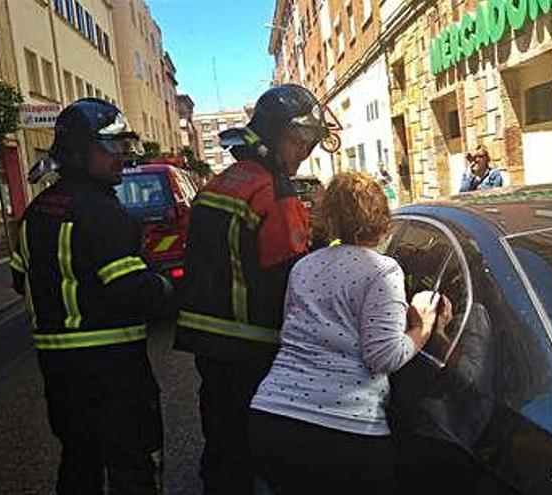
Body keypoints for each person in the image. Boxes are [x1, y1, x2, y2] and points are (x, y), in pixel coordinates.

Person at [173, 84, 332, 494]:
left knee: (222, 442)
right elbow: (295, 280)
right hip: (254, 349)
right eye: (299, 141)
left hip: (209, 346)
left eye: (309, 144)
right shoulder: (274, 193)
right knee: (256, 450)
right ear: (273, 134)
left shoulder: (217, 185)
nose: (303, 153)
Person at [248, 172, 450, 495]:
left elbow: (294, 333)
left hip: (273, 419)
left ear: (329, 218)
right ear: (382, 218)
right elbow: (383, 355)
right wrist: (422, 326)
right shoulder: (382, 270)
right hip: (346, 433)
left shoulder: (304, 266)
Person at [9, 98, 173, 494]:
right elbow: (131, 292)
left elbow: (19, 279)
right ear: (80, 153)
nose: (122, 157)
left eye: (123, 147)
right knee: (134, 464)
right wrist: (168, 288)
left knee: (79, 461)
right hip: (113, 368)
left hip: (58, 369)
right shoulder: (103, 212)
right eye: (111, 148)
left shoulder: (36, 212)